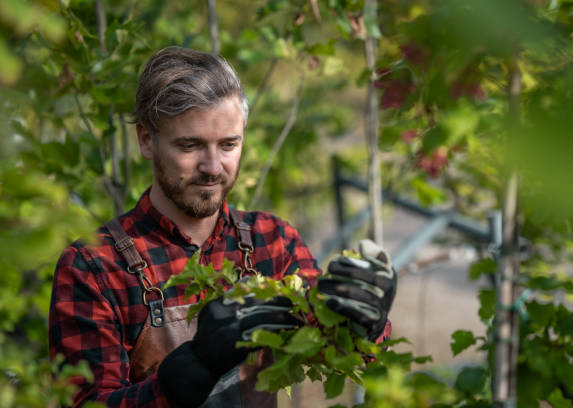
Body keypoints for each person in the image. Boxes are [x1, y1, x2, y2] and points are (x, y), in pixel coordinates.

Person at [49, 46, 397, 408]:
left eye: (228, 144)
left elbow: (345, 353)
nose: (213, 167)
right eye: (190, 145)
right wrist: (191, 369)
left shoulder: (272, 243)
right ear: (146, 140)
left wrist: (365, 317)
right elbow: (86, 403)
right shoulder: (94, 265)